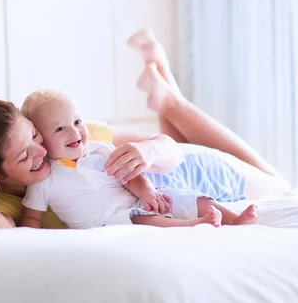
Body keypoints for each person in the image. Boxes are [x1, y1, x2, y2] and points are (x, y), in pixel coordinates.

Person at [0, 29, 290, 229]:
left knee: (279, 184)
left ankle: (170, 102)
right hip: (162, 196)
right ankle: (163, 91)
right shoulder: (5, 203)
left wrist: (148, 151)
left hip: (182, 173)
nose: (42, 150)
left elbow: (170, 151)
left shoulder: (77, 138)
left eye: (35, 135)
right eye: (25, 155)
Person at [18, 89, 258, 229]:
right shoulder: (45, 178)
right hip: (111, 222)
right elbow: (31, 216)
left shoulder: (98, 149)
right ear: (39, 138)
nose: (74, 132)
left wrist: (148, 192)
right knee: (142, 219)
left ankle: (234, 220)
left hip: (144, 194)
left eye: (78, 122)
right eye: (60, 129)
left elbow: (130, 176)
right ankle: (193, 226)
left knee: (180, 197)